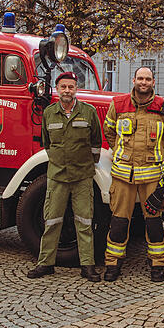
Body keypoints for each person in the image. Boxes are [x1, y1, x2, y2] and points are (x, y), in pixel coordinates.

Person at [102, 66, 164, 282]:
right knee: (119, 221)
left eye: (147, 79)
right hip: (123, 175)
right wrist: (119, 149)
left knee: (154, 222)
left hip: (152, 175)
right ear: (134, 80)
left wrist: (160, 151)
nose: (143, 82)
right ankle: (113, 264)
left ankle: (157, 264)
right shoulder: (118, 105)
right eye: (140, 78)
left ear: (153, 82)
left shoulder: (163, 108)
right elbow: (109, 130)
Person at [27, 71, 103, 282]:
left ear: (76, 89)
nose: (67, 91)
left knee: (84, 221)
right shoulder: (49, 113)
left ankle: (87, 265)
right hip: (58, 176)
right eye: (63, 87)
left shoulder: (89, 112)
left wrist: (87, 163)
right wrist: (60, 162)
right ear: (58, 89)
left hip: (82, 176)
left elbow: (96, 142)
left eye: (71, 87)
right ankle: (45, 263)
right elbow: (47, 144)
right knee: (51, 220)